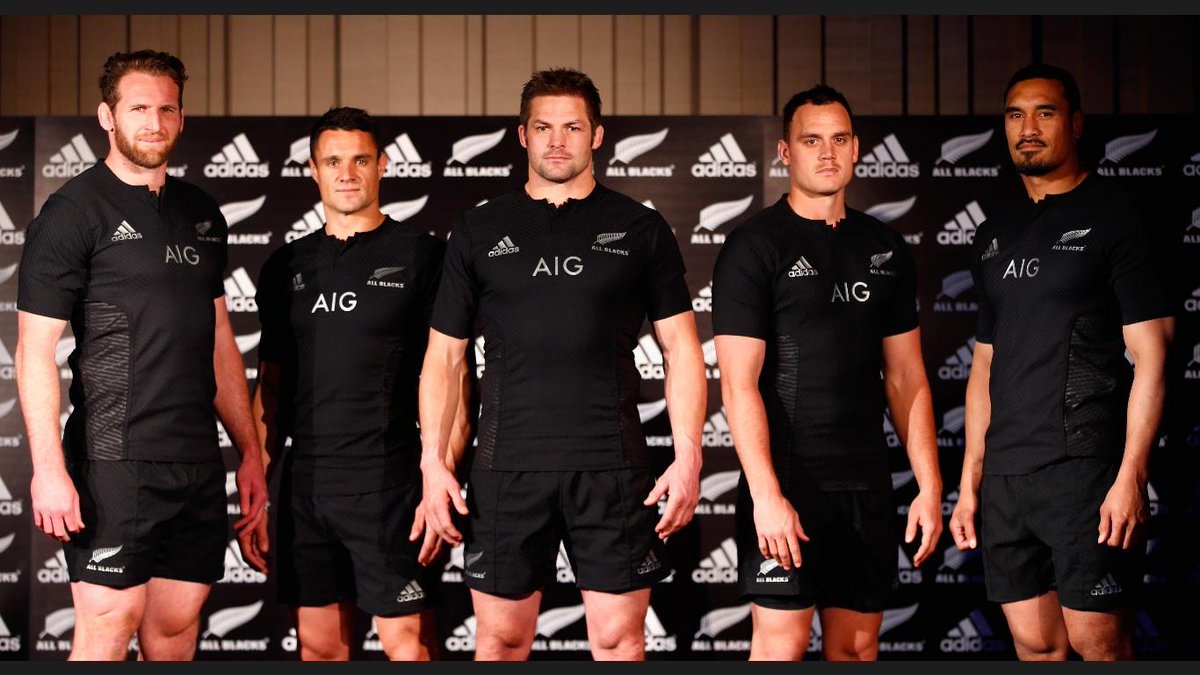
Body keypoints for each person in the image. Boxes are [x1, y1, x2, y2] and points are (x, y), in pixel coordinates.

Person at [417, 67, 706, 661]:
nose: (557, 140)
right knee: (501, 640)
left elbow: (681, 348)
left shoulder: (640, 228)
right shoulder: (479, 228)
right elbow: (444, 356)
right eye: (543, 127)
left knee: (618, 640)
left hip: (612, 468)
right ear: (522, 135)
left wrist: (689, 456)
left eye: (572, 127)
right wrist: (433, 462)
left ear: (596, 135)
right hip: (506, 469)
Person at [14, 50, 268, 661]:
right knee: (109, 625)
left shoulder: (201, 213)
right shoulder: (72, 213)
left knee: (175, 630)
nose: (154, 123)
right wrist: (48, 469)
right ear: (108, 116)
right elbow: (33, 350)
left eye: (167, 109)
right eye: (138, 109)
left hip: (196, 463)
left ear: (181, 117)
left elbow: (218, 341)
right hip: (113, 461)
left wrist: (250, 452)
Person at [948, 63, 1174, 661]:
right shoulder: (993, 235)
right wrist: (970, 484)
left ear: (1075, 123)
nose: (1028, 128)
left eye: (1044, 113)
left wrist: (1131, 475)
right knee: (1037, 646)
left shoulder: (1119, 216)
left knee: (1099, 643)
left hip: (1086, 471)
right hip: (1007, 477)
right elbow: (983, 368)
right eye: (1015, 115)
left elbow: (1153, 356)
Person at [710, 84, 943, 661]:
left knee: (857, 651)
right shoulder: (753, 246)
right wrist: (766, 495)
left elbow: (906, 378)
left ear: (857, 148)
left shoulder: (886, 247)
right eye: (811, 140)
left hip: (866, 487)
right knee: (780, 648)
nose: (827, 153)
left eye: (839, 139)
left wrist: (929, 484)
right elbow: (738, 384)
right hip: (786, 485)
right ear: (785, 151)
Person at [244, 106, 462, 661]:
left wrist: (440, 478)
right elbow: (271, 389)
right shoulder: (284, 266)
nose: (347, 173)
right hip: (306, 488)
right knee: (319, 649)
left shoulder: (424, 256)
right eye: (333, 161)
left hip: (392, 484)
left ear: (382, 165)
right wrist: (259, 487)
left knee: (408, 646)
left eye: (360, 160)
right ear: (313, 170)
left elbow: (456, 377)